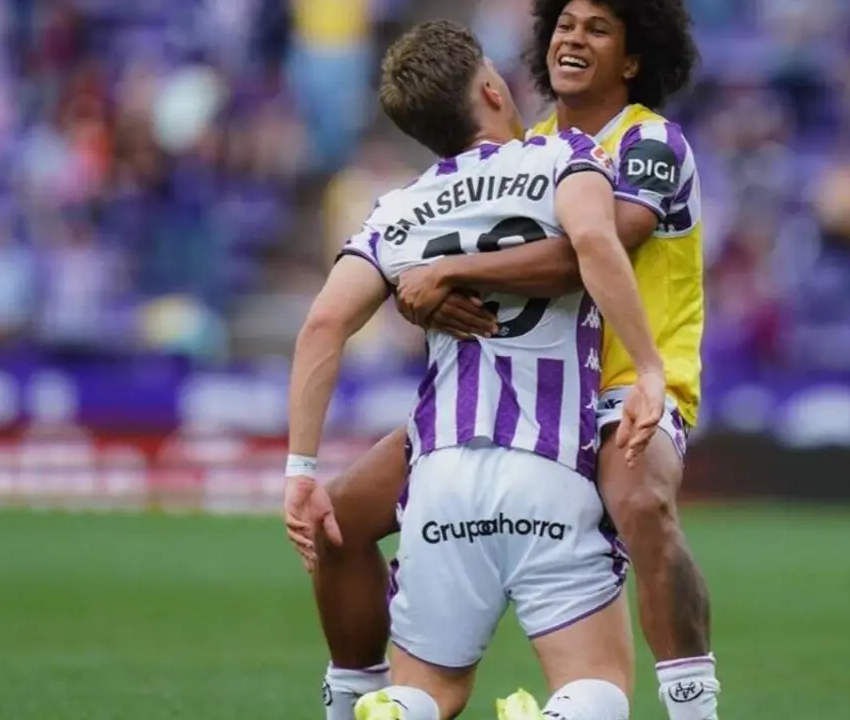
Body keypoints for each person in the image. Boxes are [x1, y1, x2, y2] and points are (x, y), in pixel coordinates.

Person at [284, 2, 721, 719]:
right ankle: (351, 698)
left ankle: (693, 707)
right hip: (522, 401)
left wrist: (442, 274)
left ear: (635, 58)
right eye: (564, 24)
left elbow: (597, 246)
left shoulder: (649, 142)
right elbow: (455, 250)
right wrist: (417, 292)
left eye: (597, 28)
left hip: (623, 389)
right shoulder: (540, 148)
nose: (571, 38)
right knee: (339, 520)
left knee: (641, 498)